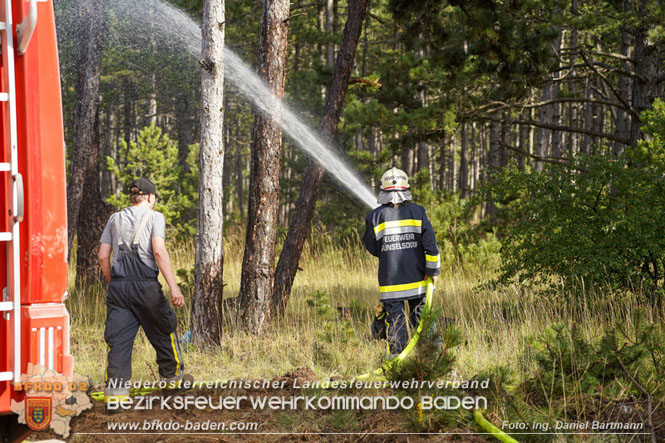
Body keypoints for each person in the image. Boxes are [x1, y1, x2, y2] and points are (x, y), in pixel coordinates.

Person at [98, 177, 185, 405]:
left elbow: (102, 256)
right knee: (164, 331)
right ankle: (173, 387)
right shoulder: (155, 217)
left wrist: (114, 282)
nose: (155, 202)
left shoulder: (114, 219)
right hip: (146, 287)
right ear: (148, 197)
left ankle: (116, 400)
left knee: (118, 342)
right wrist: (174, 288)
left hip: (118, 288)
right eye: (154, 198)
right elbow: (158, 252)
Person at [363, 167, 441, 356]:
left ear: (383, 191)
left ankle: (397, 361)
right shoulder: (419, 211)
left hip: (391, 283)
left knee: (395, 322)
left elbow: (371, 247)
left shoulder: (374, 216)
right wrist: (433, 272)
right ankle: (434, 358)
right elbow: (431, 245)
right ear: (406, 189)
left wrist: (389, 253)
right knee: (423, 318)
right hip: (418, 279)